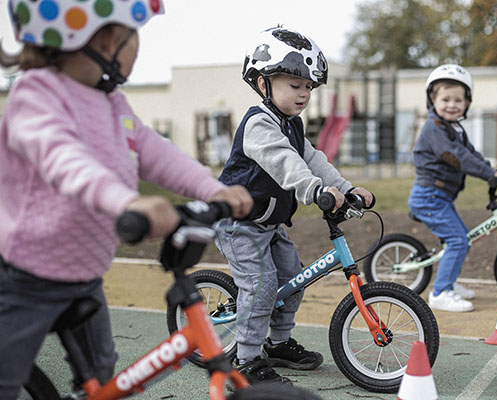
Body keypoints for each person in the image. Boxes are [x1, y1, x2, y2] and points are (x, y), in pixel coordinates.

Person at [0, 1, 252, 398]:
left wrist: (212, 188)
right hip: (26, 277)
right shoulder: (36, 95)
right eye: (133, 35)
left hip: (84, 274)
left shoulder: (111, 101)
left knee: (102, 376)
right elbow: (64, 160)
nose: (137, 46)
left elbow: (153, 151)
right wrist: (125, 201)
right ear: (102, 38)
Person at [214, 27, 373, 385]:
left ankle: (278, 344)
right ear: (262, 83)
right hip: (238, 224)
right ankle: (246, 360)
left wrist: (346, 190)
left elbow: (313, 159)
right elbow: (285, 162)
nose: (304, 93)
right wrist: (314, 191)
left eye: (308, 87)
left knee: (293, 280)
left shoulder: (292, 124)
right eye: (294, 84)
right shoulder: (259, 124)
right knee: (262, 285)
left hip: (269, 225)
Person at [408, 64, 497, 313]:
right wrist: (488, 175)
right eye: (446, 99)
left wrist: (492, 171)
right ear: (433, 100)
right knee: (458, 240)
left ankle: (449, 282)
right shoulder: (435, 128)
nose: (452, 104)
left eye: (458, 100)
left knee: (463, 238)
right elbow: (457, 156)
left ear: (467, 103)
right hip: (429, 196)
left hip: (439, 197)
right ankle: (441, 292)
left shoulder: (455, 128)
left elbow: (470, 153)